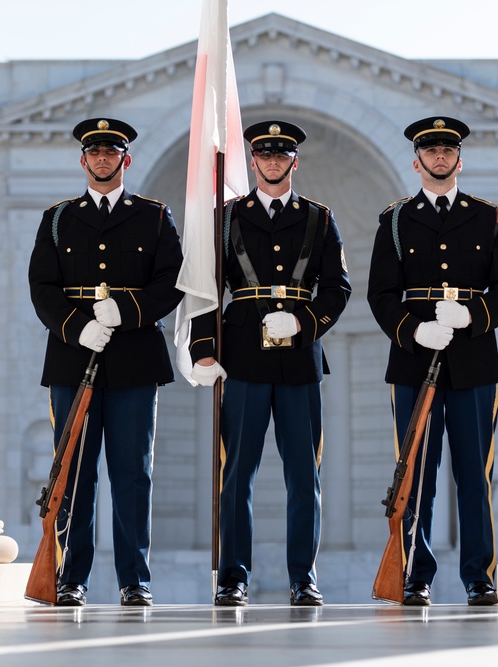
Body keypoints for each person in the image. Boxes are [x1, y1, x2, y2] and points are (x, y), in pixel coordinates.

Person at [188, 120, 351, 606]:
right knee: (236, 475)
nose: (274, 161)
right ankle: (233, 578)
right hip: (241, 360)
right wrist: (204, 349)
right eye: (265, 154)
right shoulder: (226, 217)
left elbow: (337, 288)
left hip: (300, 361)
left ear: (295, 161)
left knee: (305, 476)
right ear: (253, 161)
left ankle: (303, 577)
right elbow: (205, 287)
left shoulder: (320, 219)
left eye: (282, 154)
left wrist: (305, 323)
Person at [367, 116, 498, 606]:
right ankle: (416, 573)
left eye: (447, 149)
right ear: (416, 161)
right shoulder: (394, 220)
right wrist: (415, 330)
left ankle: (479, 574)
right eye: (430, 150)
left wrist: (473, 316)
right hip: (415, 359)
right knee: (417, 472)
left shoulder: (490, 218)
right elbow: (380, 294)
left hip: (473, 358)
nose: (439, 156)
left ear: (460, 159)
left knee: (474, 474)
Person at [28, 117, 184, 607]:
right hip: (74, 356)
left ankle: (134, 579)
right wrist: (78, 327)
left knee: (132, 472)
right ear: (82, 160)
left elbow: (171, 281)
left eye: (110, 151)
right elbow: (42, 287)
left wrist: (127, 312)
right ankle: (72, 578)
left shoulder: (155, 217)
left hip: (135, 356)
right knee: (75, 470)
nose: (101, 158)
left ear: (125, 159)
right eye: (93, 151)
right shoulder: (58, 218)